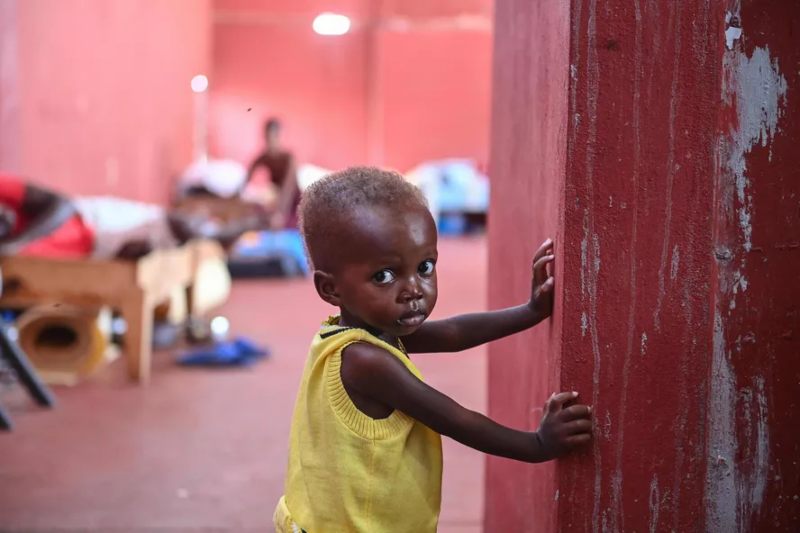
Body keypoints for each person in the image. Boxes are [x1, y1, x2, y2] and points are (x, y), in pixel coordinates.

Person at [274, 167, 593, 532]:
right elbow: (455, 419)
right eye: (384, 276)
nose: (414, 289)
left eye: (425, 266)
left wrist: (530, 311)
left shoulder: (359, 332)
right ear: (331, 290)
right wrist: (538, 445)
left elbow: (454, 333)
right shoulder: (365, 361)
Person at [0, 173, 262, 260]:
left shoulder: (7, 193)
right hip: (103, 245)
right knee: (179, 236)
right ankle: (227, 231)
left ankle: (234, 228)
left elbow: (63, 204)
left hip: (96, 219)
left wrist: (19, 241)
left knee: (180, 226)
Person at [245, 117, 299, 229]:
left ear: (279, 137)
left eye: (274, 137)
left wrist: (280, 214)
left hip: (292, 202)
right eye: (268, 138)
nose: (271, 142)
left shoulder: (289, 159)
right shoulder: (264, 157)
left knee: (291, 223)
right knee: (256, 214)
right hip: (276, 200)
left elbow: (287, 190)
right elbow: (248, 175)